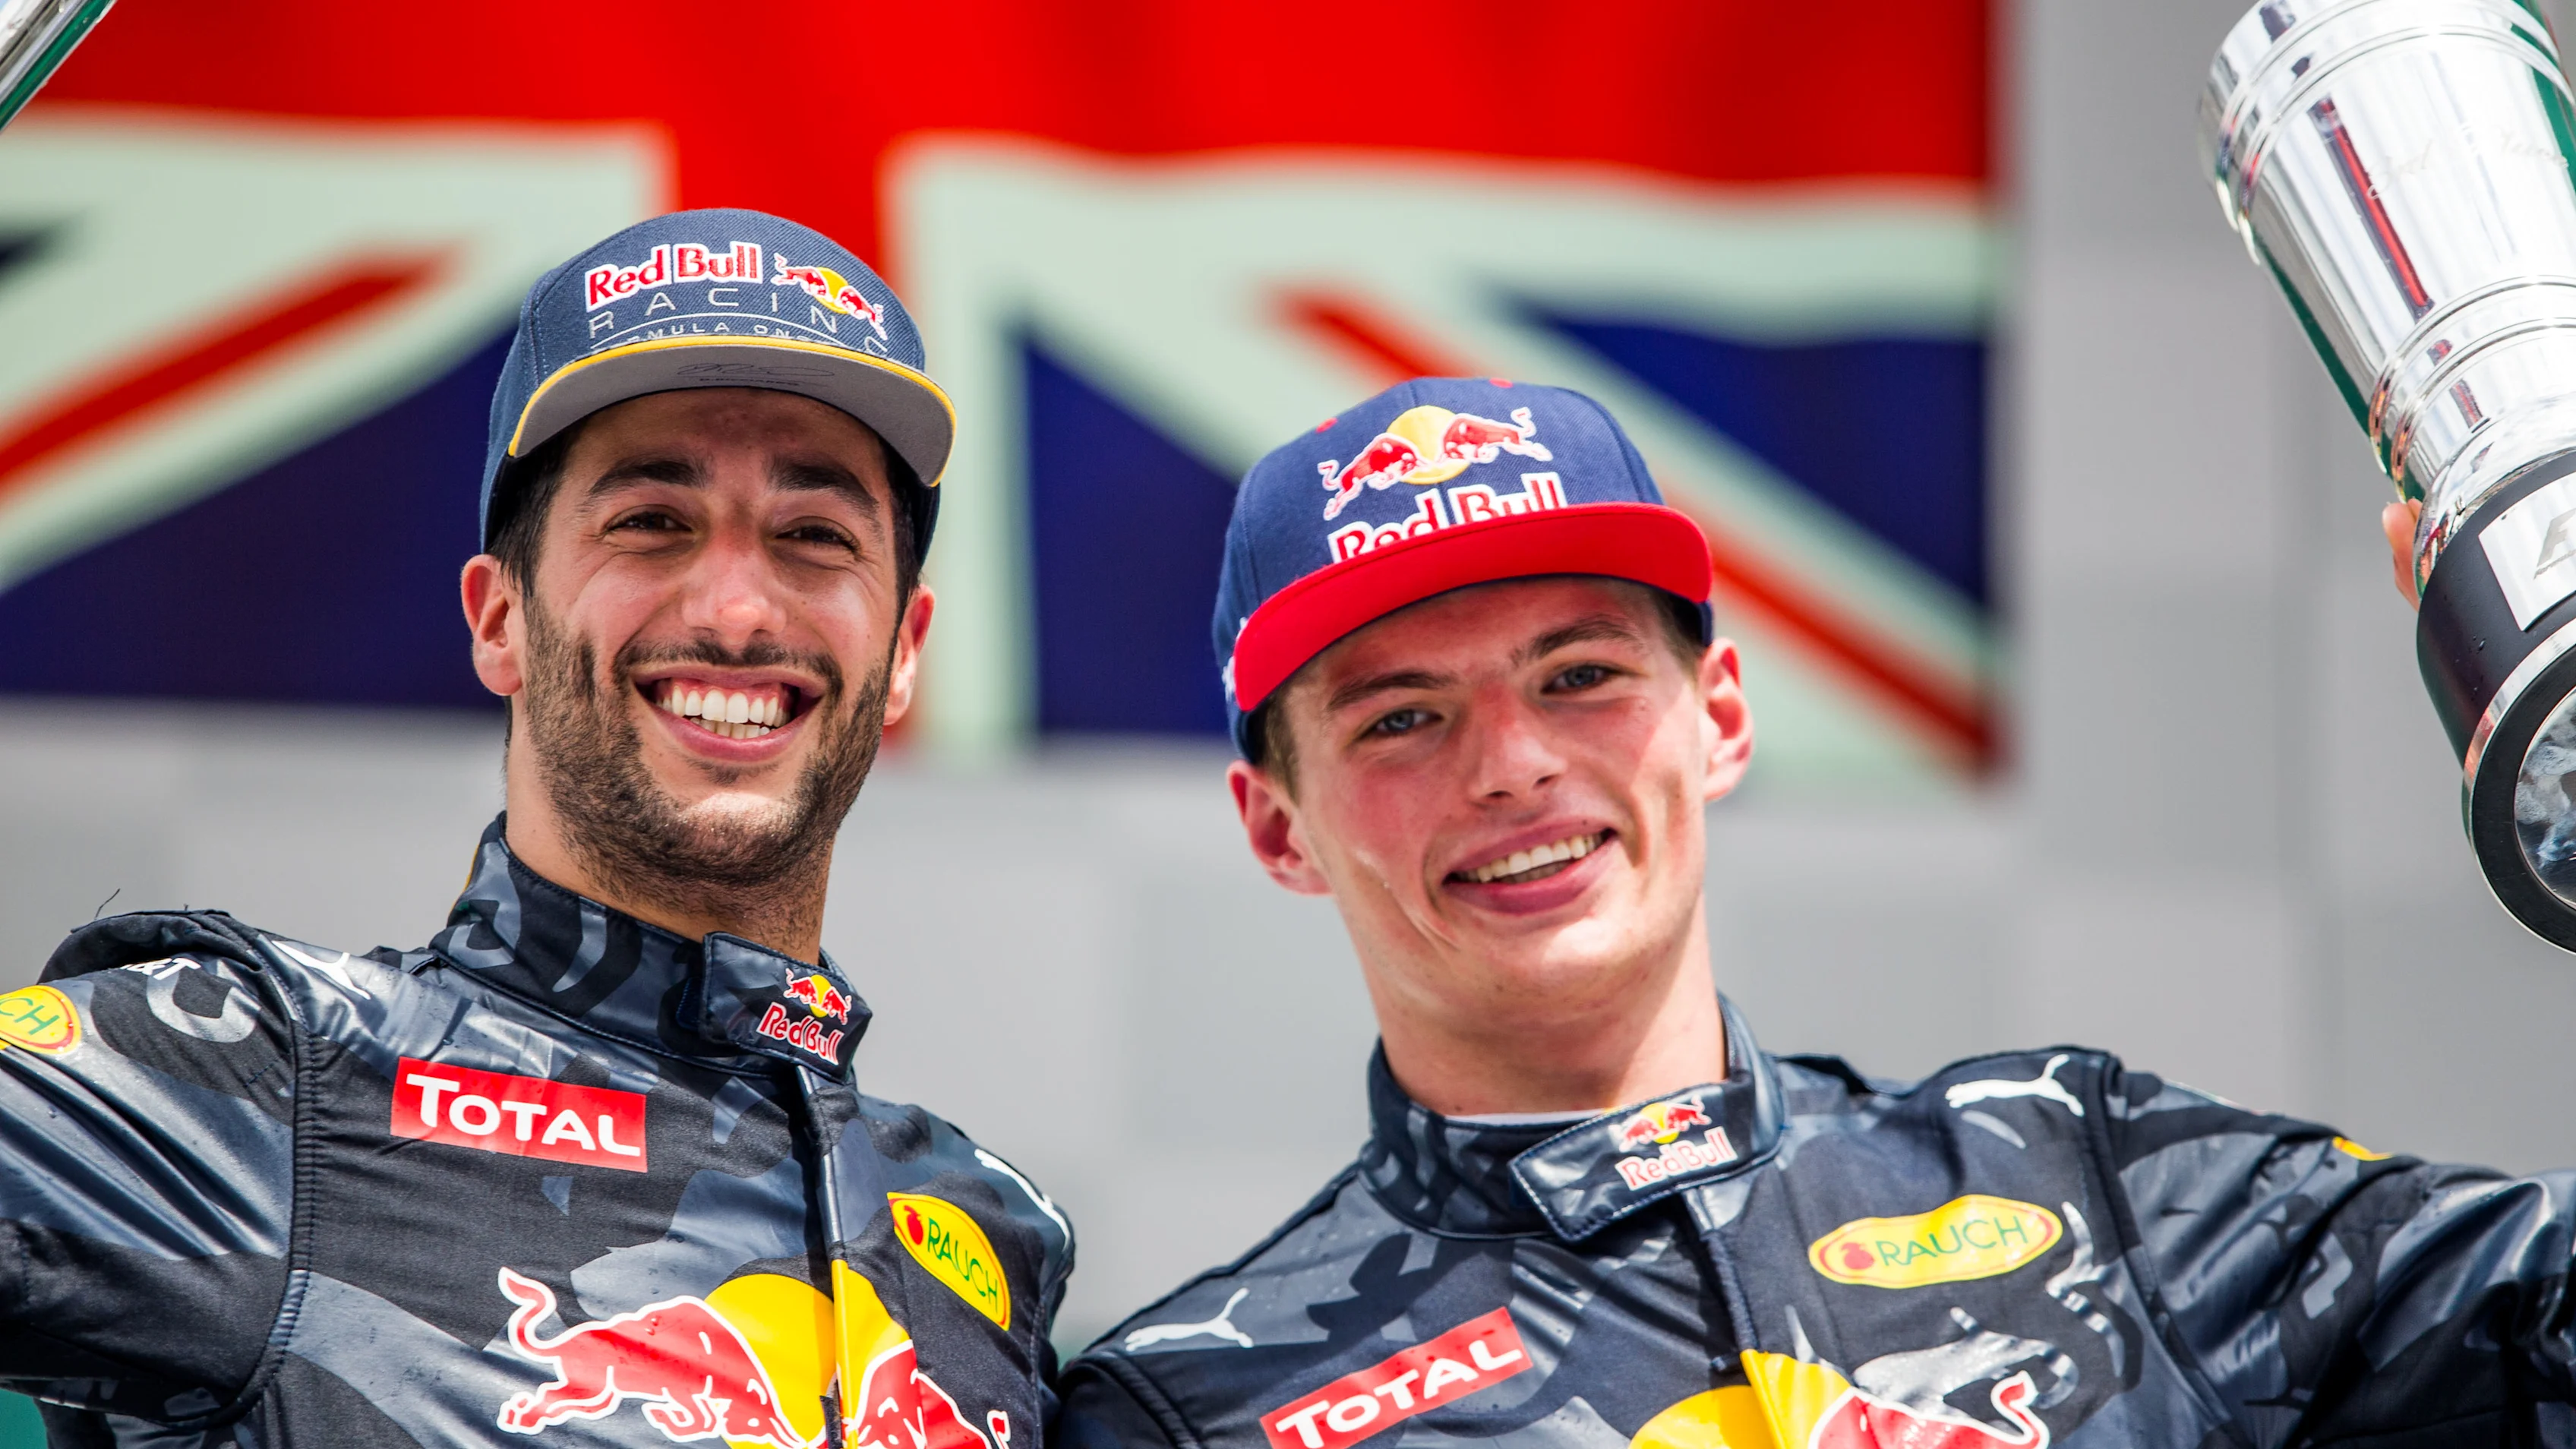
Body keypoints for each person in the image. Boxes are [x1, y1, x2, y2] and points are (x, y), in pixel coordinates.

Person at [1056, 377, 2576, 1448]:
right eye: (1400, 720)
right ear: (1277, 826)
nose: (1512, 764)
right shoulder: (1198, 1406)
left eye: (1580, 676)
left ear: (1716, 716)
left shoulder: (2087, 1177)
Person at [0, 210, 1072, 1448]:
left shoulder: (987, 1233)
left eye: (815, 538)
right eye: (650, 522)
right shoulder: (261, 1077)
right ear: (499, 618)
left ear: (903, 655)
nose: (733, 609)